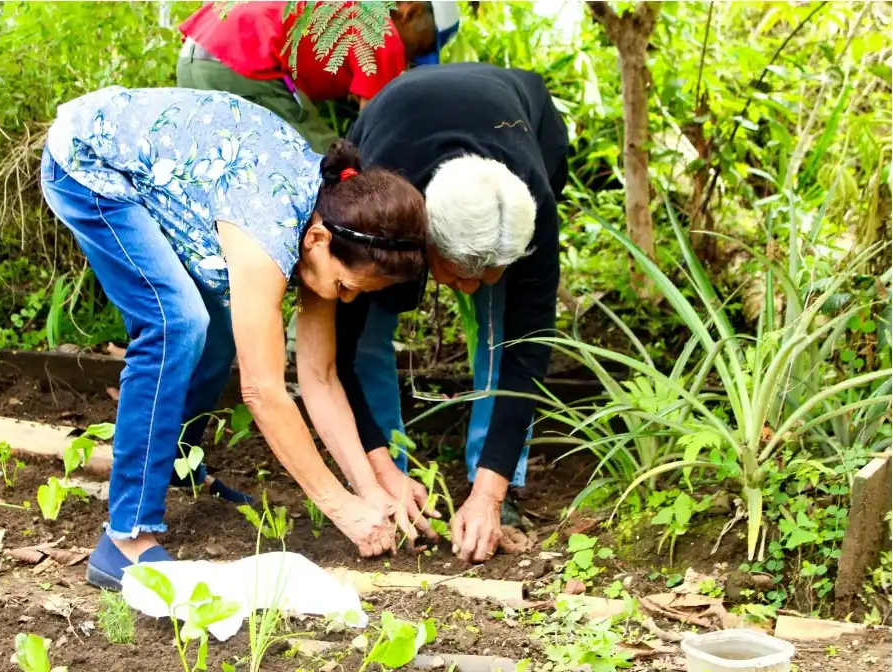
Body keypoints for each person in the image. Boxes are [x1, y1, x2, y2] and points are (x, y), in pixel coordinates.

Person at [40, 86, 429, 589]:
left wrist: (370, 489)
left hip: (170, 173)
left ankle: (177, 462)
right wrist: (343, 509)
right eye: (345, 287)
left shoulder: (329, 217)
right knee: (175, 323)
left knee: (222, 332)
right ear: (317, 242)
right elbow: (264, 393)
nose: (345, 300)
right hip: (91, 163)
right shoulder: (270, 231)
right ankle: (125, 539)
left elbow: (320, 376)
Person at [334, 63, 570, 563]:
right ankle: (386, 478)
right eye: (459, 274)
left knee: (500, 327)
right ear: (424, 241)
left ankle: (490, 482)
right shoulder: (381, 204)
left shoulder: (535, 204)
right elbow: (340, 346)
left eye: (489, 273)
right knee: (367, 324)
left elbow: (529, 350)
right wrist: (377, 470)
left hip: (521, 115)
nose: (468, 289)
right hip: (397, 119)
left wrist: (491, 493)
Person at [176, 1, 461, 153]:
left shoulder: (357, 7)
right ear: (412, 12)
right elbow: (375, 128)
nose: (412, 58)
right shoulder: (383, 32)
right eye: (423, 45)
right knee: (324, 159)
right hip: (236, 65)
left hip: (196, 52)